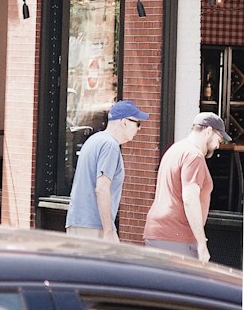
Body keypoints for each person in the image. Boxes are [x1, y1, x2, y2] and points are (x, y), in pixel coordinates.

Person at [143, 111, 231, 261]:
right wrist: (202, 243)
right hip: (176, 237)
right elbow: (190, 199)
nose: (218, 145)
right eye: (219, 139)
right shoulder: (194, 156)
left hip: (159, 233)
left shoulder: (176, 149)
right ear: (208, 131)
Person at [65, 99, 149, 239]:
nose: (139, 129)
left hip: (78, 222)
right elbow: (102, 189)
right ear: (124, 122)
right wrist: (108, 230)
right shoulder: (110, 146)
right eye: (138, 123)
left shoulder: (94, 140)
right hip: (95, 227)